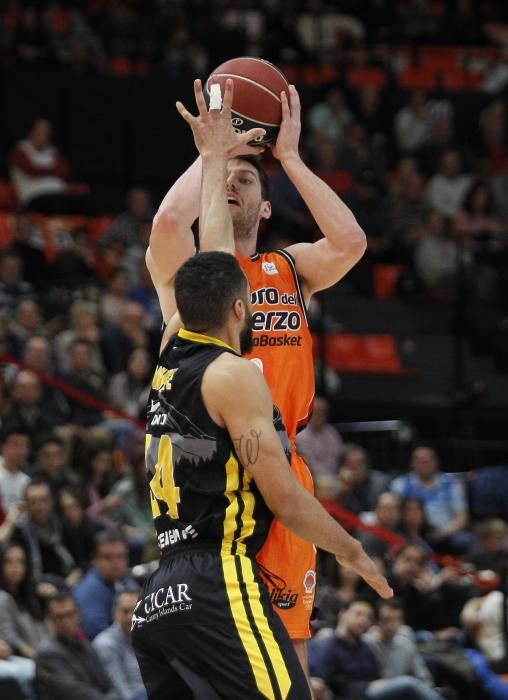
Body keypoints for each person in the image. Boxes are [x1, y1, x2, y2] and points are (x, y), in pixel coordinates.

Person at [148, 76, 368, 672]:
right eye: (223, 184)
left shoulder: (288, 266)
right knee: (218, 649)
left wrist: (288, 157)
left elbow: (350, 241)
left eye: (246, 179)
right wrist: (216, 153)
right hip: (214, 464)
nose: (232, 185)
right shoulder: (194, 283)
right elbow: (169, 223)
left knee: (290, 654)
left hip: (283, 459)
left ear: (266, 206)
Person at [132, 250, 391, 699]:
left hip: (159, 597)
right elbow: (285, 500)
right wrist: (351, 551)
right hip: (218, 579)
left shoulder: (165, 371)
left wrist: (214, 177)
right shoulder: (233, 373)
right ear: (239, 308)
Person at [309, 598, 440, 700]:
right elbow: (331, 683)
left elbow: (376, 675)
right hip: (353, 695)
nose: (363, 620)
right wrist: (367, 685)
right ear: (343, 614)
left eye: (368, 617)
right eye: (358, 614)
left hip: (371, 693)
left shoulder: (365, 646)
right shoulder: (326, 645)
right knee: (408, 684)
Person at [35, 591, 121, 700]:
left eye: (69, 614)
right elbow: (74, 692)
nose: (66, 622)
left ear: (78, 614)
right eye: (59, 617)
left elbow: (107, 683)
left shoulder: (86, 645)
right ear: (50, 620)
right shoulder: (47, 653)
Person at [391, 445, 470, 552]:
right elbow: (394, 514)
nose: (423, 464)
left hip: (445, 534)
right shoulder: (400, 484)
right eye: (418, 461)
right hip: (410, 534)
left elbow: (461, 517)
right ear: (412, 463)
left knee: (465, 541)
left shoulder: (451, 484)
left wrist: (443, 533)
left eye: (426, 461)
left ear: (436, 462)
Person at [73, 529, 136, 640]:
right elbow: (98, 635)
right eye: (108, 557)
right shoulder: (88, 591)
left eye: (121, 556)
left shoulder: (126, 580)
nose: (116, 562)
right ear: (94, 559)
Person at [93, 590, 147, 700]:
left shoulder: (148, 635)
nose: (131, 617)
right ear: (115, 614)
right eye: (125, 611)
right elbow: (121, 691)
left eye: (136, 610)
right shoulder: (106, 644)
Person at [295, 396, 343, 479]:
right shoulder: (300, 435)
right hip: (313, 478)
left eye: (323, 412)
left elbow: (339, 456)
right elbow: (309, 463)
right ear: (309, 412)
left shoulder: (332, 433)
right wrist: (330, 477)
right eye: (317, 411)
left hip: (334, 475)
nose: (320, 415)